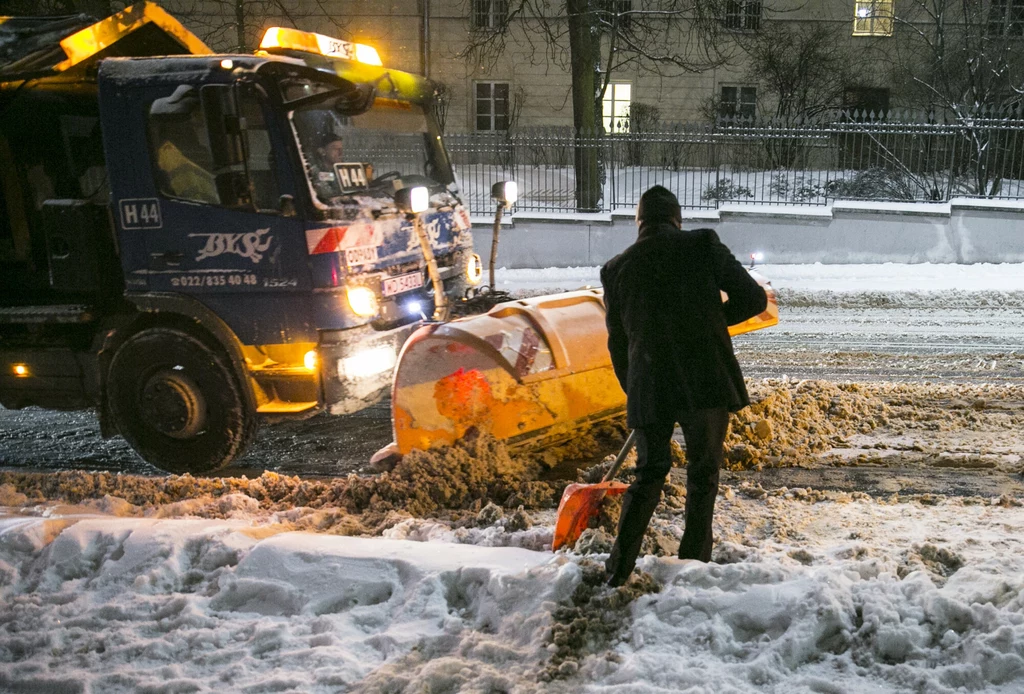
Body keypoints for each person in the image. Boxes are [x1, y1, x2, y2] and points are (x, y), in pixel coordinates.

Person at [600, 185, 767, 587]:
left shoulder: (616, 268)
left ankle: (618, 570)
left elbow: (618, 342)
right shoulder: (703, 244)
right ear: (678, 219)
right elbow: (754, 298)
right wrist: (710, 321)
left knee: (648, 475)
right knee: (702, 473)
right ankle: (692, 568)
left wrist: (635, 392)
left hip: (649, 381)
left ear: (639, 223)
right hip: (704, 375)